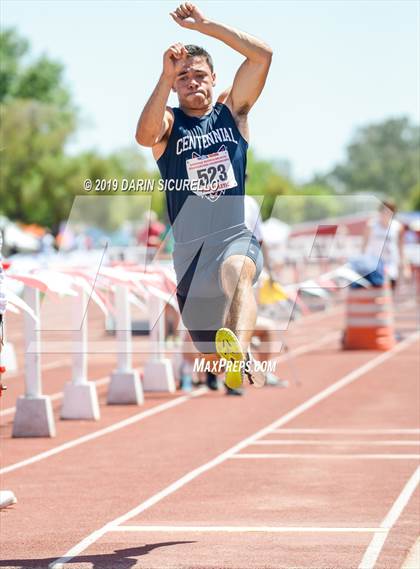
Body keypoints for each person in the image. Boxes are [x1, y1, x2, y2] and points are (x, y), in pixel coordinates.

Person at [135, 2, 272, 389]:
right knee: (209, 357)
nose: (192, 83)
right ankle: (226, 354)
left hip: (232, 237)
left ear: (214, 78)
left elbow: (263, 56)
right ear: (175, 87)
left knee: (238, 272)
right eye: (183, 79)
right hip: (191, 253)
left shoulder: (234, 112)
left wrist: (206, 26)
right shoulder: (168, 125)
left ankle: (240, 348)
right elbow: (143, 136)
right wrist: (164, 76)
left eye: (199, 75)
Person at [362, 200, 410, 291]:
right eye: (384, 210)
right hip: (374, 264)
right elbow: (363, 246)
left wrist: (406, 268)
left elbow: (401, 249)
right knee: (375, 292)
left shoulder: (397, 227)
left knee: (391, 291)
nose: (386, 213)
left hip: (391, 265)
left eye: (389, 211)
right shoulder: (371, 225)